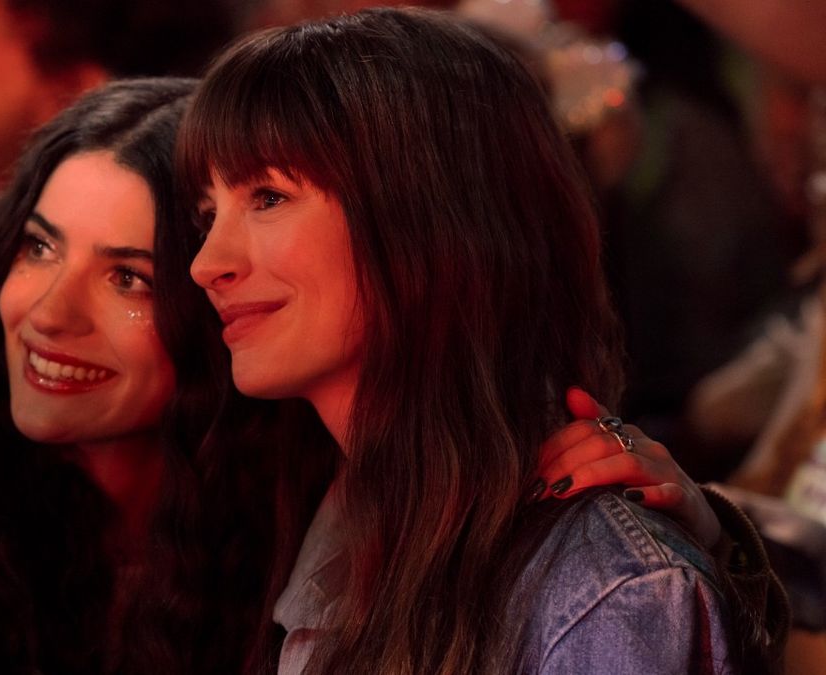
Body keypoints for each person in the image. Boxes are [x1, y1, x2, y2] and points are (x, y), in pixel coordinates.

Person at [0, 78, 757, 674]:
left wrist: (707, 541)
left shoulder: (338, 518)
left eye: (131, 277)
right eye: (35, 247)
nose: (46, 311)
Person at [179, 8, 775, 672]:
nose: (207, 263)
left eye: (267, 196)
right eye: (208, 213)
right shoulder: (318, 517)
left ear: (430, 217)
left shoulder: (610, 594)